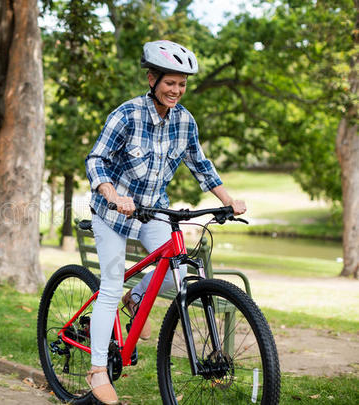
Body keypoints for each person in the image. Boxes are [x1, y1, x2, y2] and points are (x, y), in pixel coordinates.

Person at [84, 40, 246, 405]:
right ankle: (97, 370)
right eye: (170, 82)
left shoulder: (185, 121)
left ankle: (136, 298)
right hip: (112, 212)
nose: (176, 90)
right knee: (109, 285)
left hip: (154, 209)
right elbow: (96, 160)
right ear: (152, 78)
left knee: (177, 268)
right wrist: (113, 195)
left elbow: (201, 165)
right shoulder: (126, 115)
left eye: (182, 84)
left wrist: (228, 200)